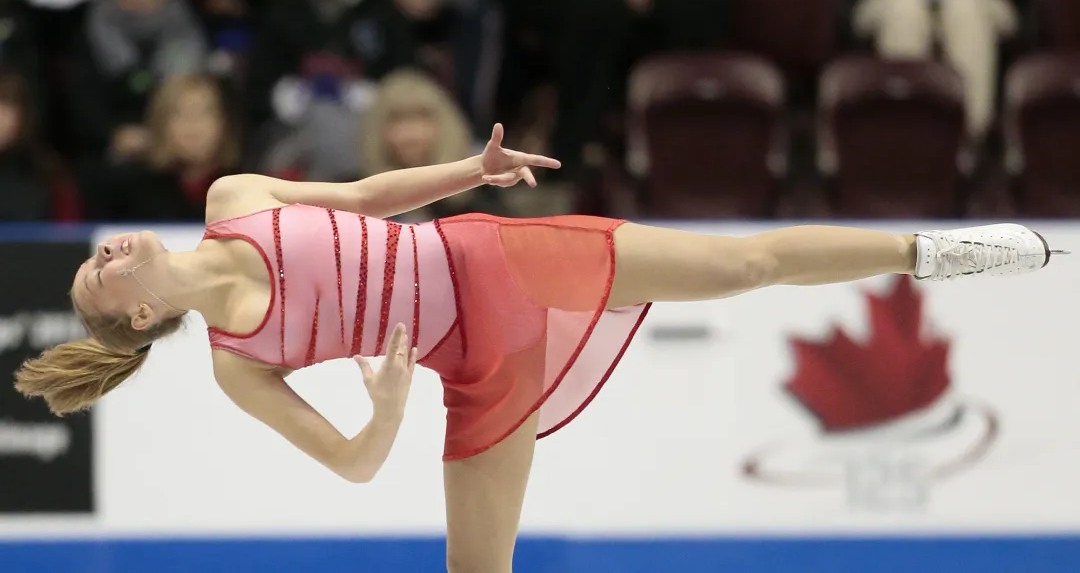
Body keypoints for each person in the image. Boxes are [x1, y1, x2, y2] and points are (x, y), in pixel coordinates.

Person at [14, 123, 1065, 572]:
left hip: (500, 261)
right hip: (473, 367)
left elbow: (364, 196)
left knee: (743, 267)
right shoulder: (241, 363)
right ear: (140, 319)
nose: (107, 254)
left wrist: (467, 170)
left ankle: (934, 248)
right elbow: (354, 461)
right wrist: (384, 404)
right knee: (478, 568)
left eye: (97, 256)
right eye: (101, 279)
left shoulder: (232, 198)